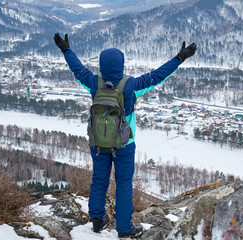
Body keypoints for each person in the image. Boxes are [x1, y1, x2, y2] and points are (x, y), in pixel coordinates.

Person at [53, 33, 197, 238]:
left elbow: (77, 69)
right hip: (124, 144)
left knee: (99, 179)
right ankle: (124, 228)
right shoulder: (131, 86)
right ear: (121, 65)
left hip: (98, 143)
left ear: (102, 65)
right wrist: (180, 58)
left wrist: (65, 49)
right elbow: (158, 75)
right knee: (123, 184)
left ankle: (97, 219)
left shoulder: (93, 83)